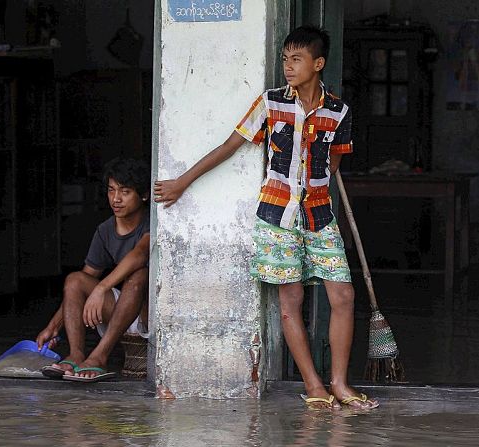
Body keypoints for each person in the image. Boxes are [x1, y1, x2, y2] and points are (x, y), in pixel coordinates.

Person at [153, 26, 378, 410]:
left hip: (320, 215)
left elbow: (335, 161)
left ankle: (339, 383)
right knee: (290, 299)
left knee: (343, 295)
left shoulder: (339, 111)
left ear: (317, 64)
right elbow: (230, 145)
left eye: (297, 59)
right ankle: (314, 386)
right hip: (276, 215)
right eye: (284, 59)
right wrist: (182, 182)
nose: (288, 67)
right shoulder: (271, 104)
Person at [37, 158, 151, 382]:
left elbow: (139, 255)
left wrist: (102, 288)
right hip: (122, 314)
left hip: (151, 314)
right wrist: (53, 326)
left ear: (144, 195)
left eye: (125, 192)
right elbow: (81, 284)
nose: (116, 199)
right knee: (75, 280)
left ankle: (99, 355)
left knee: (138, 274)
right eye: (111, 190)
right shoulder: (105, 230)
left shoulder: (151, 222)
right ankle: (77, 354)